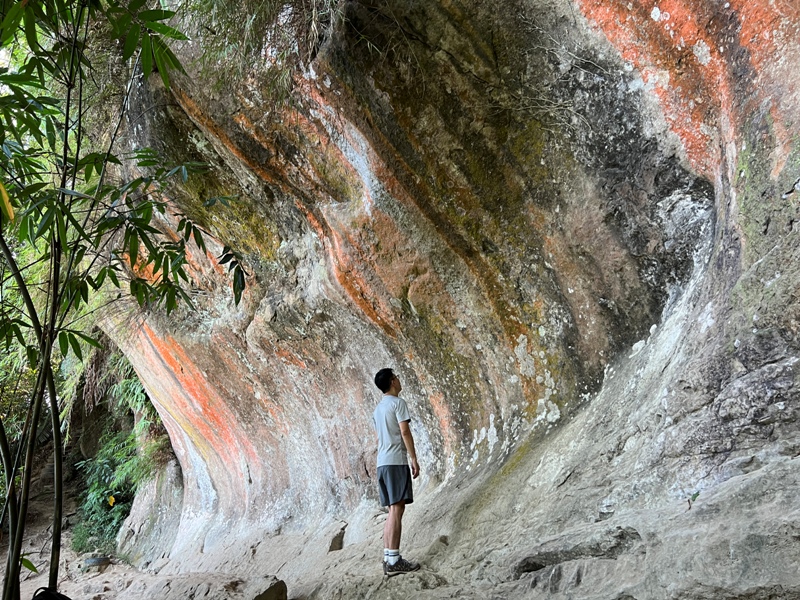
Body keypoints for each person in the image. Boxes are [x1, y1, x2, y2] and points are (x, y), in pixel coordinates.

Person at [373, 368, 421, 576]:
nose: (400, 380)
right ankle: (394, 560)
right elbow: (404, 431)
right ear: (393, 381)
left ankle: (388, 557)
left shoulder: (378, 409)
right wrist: (414, 458)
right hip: (395, 462)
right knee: (397, 510)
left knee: (393, 510)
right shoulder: (398, 403)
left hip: (382, 463)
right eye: (397, 377)